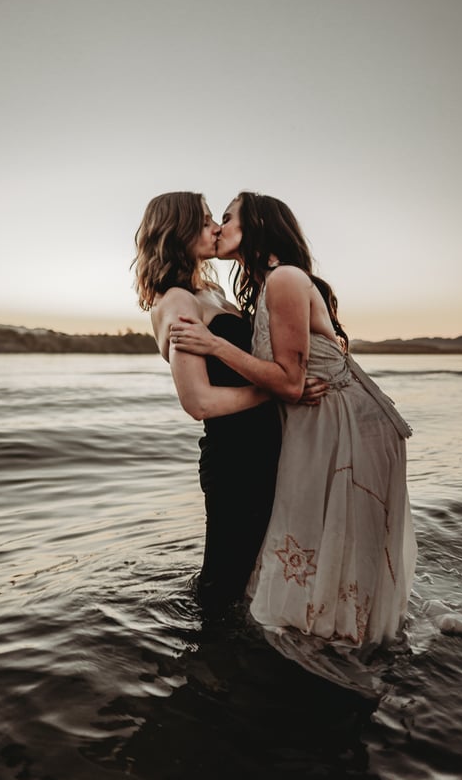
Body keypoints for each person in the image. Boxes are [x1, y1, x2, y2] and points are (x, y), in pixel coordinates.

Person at [170, 193, 417, 664]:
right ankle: (335, 635)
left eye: (227, 218)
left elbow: (290, 381)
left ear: (257, 225)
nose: (218, 228)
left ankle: (349, 641)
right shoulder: (267, 285)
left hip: (346, 422)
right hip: (322, 418)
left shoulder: (284, 278)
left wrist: (214, 346)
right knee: (316, 531)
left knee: (336, 531)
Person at [133, 192, 326, 615]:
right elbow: (198, 402)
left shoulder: (211, 292)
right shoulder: (176, 301)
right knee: (224, 581)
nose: (215, 229)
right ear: (178, 230)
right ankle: (208, 670)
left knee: (258, 571)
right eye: (205, 222)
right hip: (235, 458)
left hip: (262, 449)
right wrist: (280, 389)